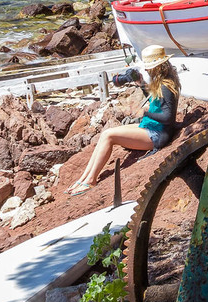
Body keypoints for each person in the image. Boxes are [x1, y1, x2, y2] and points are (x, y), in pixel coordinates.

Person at [67, 45, 181, 193]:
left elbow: (167, 117)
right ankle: (83, 178)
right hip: (152, 127)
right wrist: (141, 84)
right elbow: (157, 102)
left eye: (149, 67)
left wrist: (144, 112)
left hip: (157, 134)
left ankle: (90, 180)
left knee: (109, 136)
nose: (146, 70)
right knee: (106, 133)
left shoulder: (166, 86)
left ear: (157, 68)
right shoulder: (163, 81)